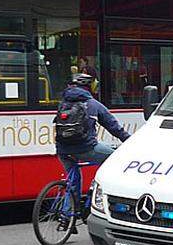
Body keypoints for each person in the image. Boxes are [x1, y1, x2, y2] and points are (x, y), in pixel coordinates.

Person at [55, 73, 131, 215]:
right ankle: (95, 194)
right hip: (86, 147)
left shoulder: (63, 102)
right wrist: (130, 141)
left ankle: (68, 214)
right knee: (114, 159)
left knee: (73, 178)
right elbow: (114, 127)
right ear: (89, 87)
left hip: (62, 149)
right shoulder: (93, 104)